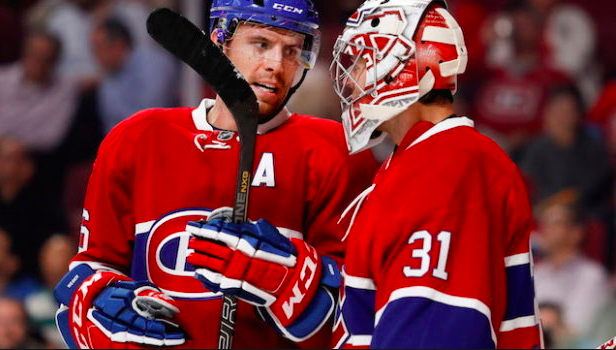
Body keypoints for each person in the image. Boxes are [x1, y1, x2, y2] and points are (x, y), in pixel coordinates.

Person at [53, 0, 377, 349]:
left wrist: (289, 280)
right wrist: (97, 308)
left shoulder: (333, 150)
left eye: (292, 51)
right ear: (220, 40)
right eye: (261, 44)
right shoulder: (138, 138)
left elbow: (354, 307)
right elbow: (91, 269)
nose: (276, 65)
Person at [329, 0, 542, 348]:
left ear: (407, 69)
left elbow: (436, 330)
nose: (352, 79)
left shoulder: (449, 165)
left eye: (365, 60)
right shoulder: (415, 163)